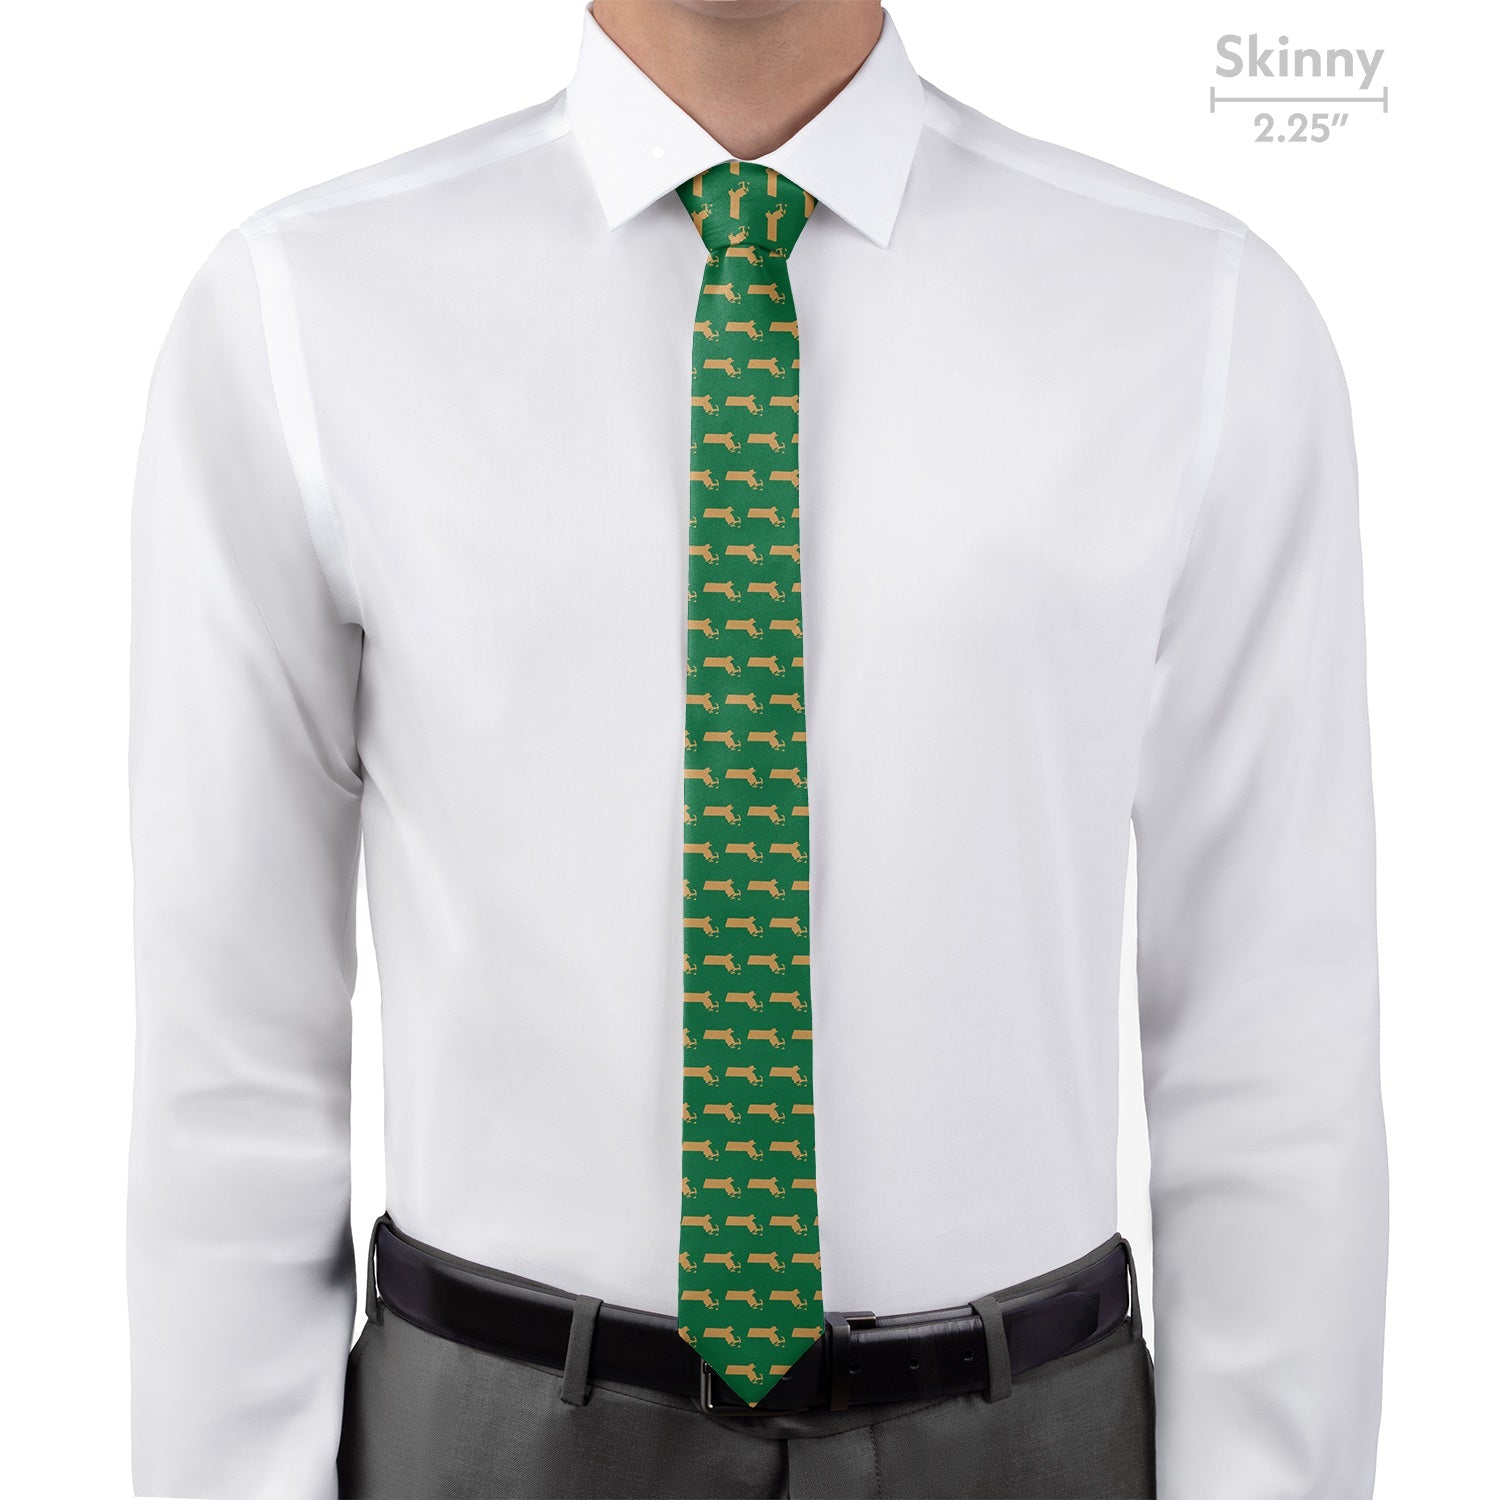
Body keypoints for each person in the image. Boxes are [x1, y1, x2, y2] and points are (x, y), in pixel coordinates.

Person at [125, 2, 1389, 1496]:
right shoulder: (299, 318)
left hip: (1024, 1436)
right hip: (487, 1434)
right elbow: (233, 1058)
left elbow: (1271, 1047)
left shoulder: (1199, 320)